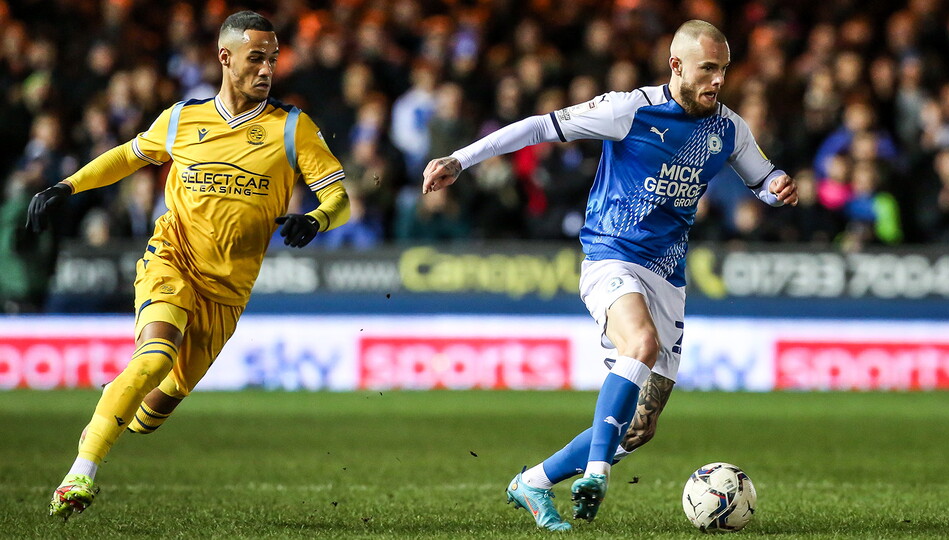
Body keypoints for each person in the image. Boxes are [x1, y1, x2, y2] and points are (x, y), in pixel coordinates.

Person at [422, 19, 797, 531]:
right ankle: (596, 472)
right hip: (612, 257)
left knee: (641, 426)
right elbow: (538, 126)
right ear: (677, 66)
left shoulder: (729, 128)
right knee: (638, 345)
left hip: (668, 274)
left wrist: (776, 186)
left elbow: (761, 176)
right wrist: (461, 159)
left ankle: (532, 481)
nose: (717, 81)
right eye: (708, 69)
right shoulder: (629, 109)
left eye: (724, 70)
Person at [29, 11, 350, 521]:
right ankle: (80, 473)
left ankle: (118, 399)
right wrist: (66, 186)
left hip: (228, 291)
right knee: (155, 356)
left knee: (156, 406)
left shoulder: (291, 127)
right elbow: (128, 156)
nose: (267, 68)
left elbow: (339, 197)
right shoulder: (182, 118)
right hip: (172, 258)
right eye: (255, 58)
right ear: (225, 58)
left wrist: (315, 220)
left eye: (272, 58)